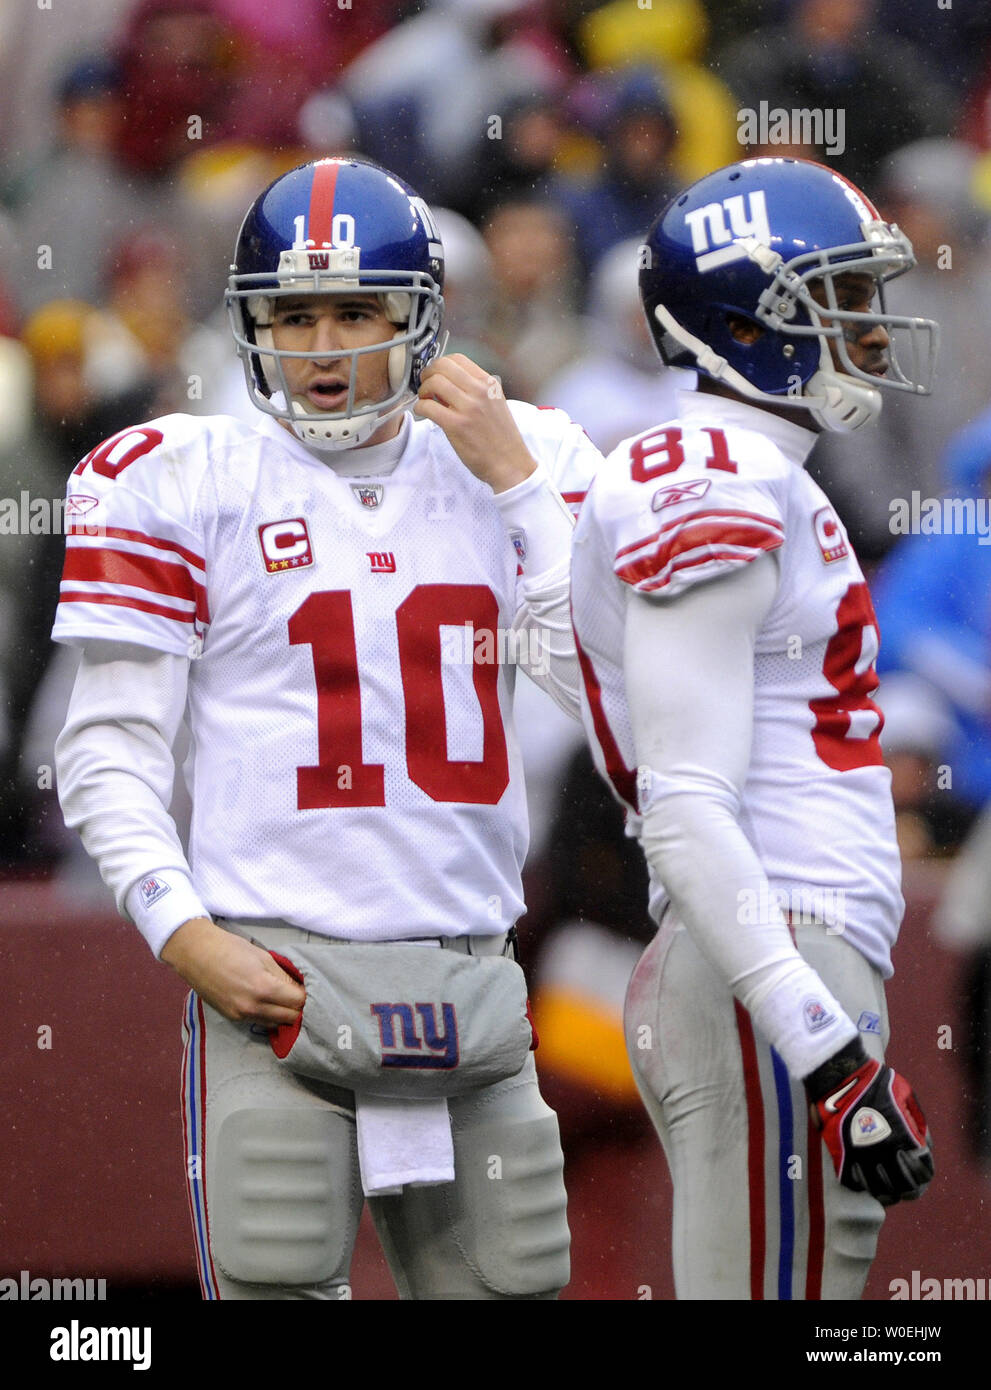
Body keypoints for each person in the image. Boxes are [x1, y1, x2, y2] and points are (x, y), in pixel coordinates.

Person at [52, 156, 603, 1300]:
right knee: (279, 1279)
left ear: (423, 316)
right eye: (291, 314)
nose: (324, 345)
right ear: (249, 322)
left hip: (472, 972)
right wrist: (184, 932)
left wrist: (521, 500)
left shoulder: (531, 456)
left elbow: (619, 710)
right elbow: (106, 747)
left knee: (514, 1286)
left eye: (357, 309)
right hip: (272, 972)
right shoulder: (182, 476)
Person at [570, 156, 935, 1300]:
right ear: (749, 319)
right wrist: (822, 1045)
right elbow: (681, 805)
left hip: (771, 954)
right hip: (768, 953)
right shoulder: (721, 472)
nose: (869, 328)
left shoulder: (752, 470)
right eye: (839, 295)